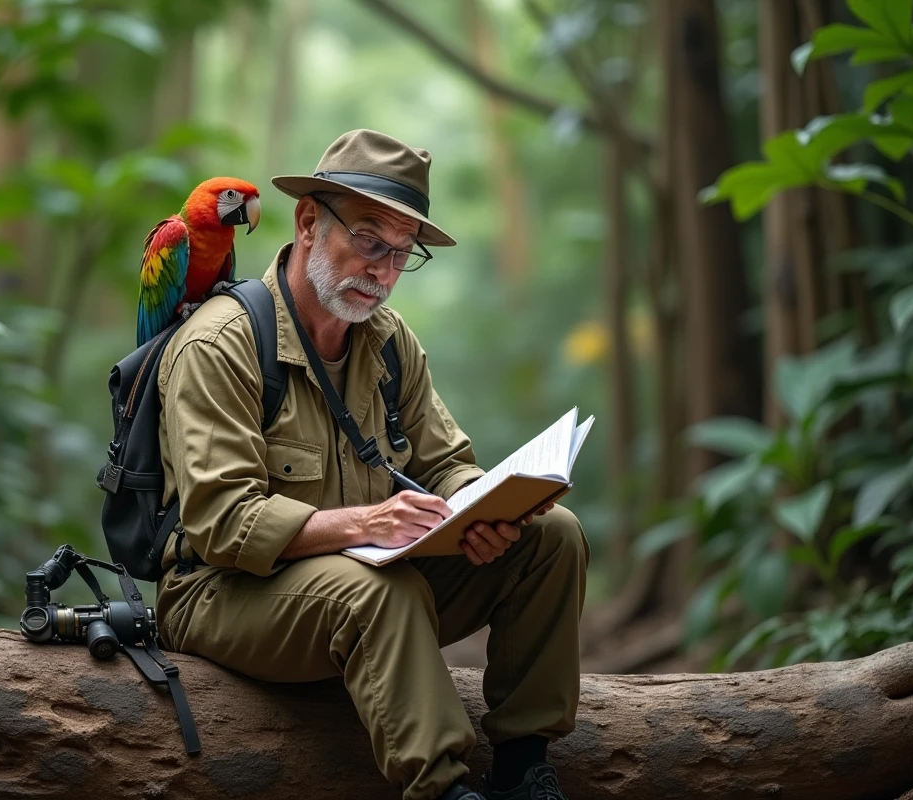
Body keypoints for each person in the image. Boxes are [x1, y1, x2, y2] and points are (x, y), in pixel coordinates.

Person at [153, 128, 589, 800]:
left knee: (552, 537)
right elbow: (222, 523)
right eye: (367, 241)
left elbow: (447, 463)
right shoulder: (221, 344)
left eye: (401, 254)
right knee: (381, 590)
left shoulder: (388, 343)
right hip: (222, 596)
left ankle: (522, 767)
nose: (383, 271)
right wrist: (365, 524)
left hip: (366, 588)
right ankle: (442, 787)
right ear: (307, 223)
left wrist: (486, 505)